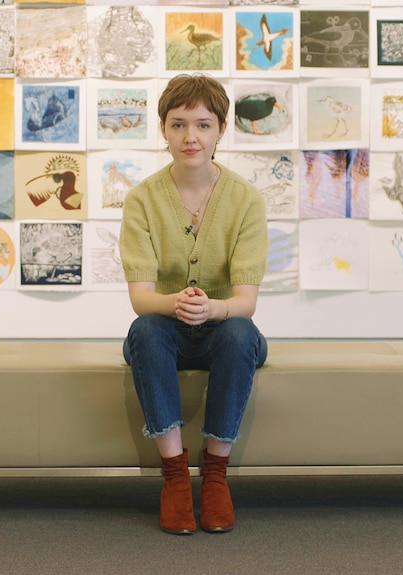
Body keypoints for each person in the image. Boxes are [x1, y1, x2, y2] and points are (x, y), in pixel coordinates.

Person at [119, 74, 269, 535]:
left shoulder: (245, 199)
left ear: (221, 129)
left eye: (203, 125)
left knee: (240, 333)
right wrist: (177, 303)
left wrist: (212, 309)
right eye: (179, 124)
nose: (190, 137)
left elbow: (245, 304)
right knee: (146, 330)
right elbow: (142, 301)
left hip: (225, 331)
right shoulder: (142, 199)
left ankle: (217, 476)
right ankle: (175, 479)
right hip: (166, 332)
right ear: (163, 129)